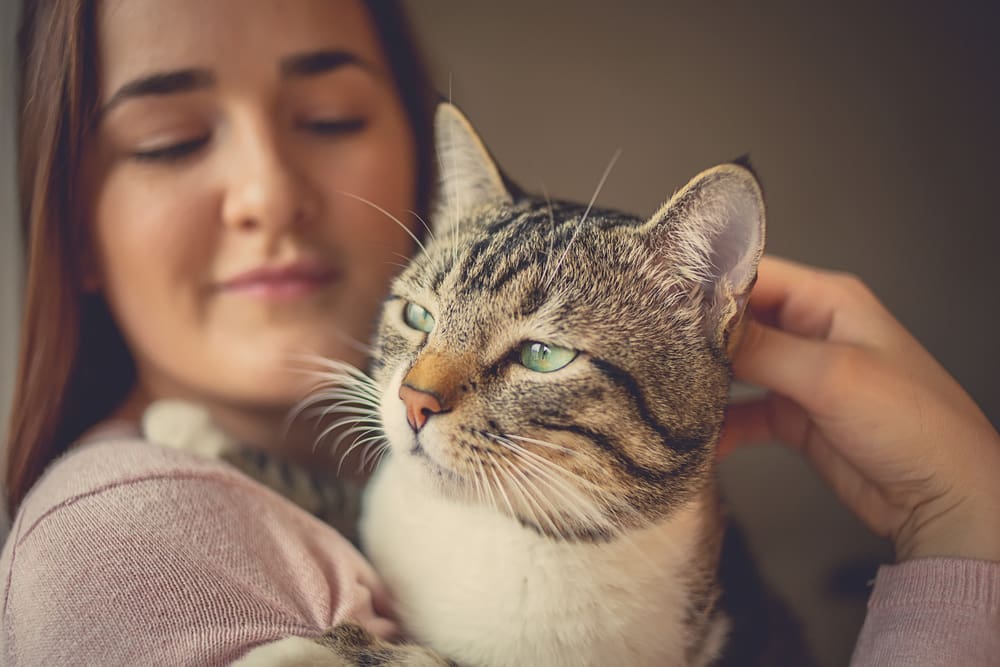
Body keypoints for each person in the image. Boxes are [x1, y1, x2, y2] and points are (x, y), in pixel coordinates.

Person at [1, 1, 997, 665]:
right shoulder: (113, 542)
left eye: (332, 116)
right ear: (67, 222)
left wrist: (954, 521)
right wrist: (963, 543)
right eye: (170, 140)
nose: (423, 388)